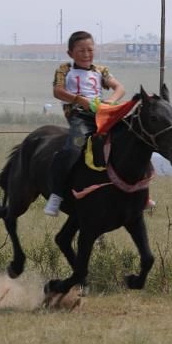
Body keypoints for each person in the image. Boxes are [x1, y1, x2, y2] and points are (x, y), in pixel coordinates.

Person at [44, 31, 125, 217]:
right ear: (70, 53)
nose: (86, 54)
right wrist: (80, 100)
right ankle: (56, 196)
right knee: (73, 150)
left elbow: (120, 88)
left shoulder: (100, 70)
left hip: (102, 113)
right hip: (79, 115)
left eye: (90, 50)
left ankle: (139, 191)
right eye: (81, 50)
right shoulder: (64, 69)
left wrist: (110, 102)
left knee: (132, 140)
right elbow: (58, 91)